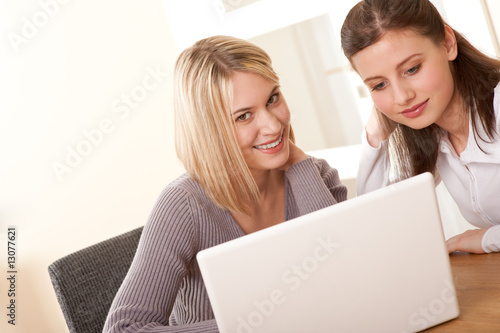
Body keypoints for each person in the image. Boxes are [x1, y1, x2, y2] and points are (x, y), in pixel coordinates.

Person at [103, 35, 347, 332]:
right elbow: (124, 328)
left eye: (273, 98)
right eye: (244, 116)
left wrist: (298, 165)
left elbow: (348, 279)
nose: (272, 125)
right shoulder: (184, 205)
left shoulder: (316, 176)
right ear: (211, 132)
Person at [340, 0, 500, 254]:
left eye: (412, 69)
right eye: (379, 85)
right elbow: (375, 222)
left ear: (447, 43)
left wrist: (485, 239)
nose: (401, 97)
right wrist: (375, 132)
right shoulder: (432, 136)